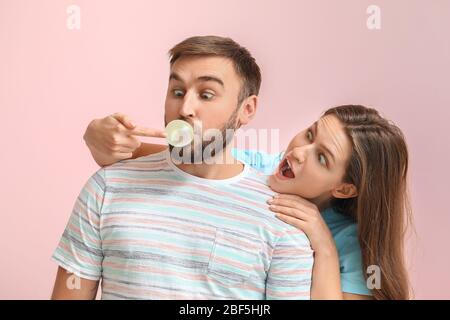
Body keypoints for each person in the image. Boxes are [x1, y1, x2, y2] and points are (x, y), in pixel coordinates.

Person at [51, 35, 314, 300]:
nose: (185, 108)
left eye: (206, 95)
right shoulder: (107, 187)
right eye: (177, 92)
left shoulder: (282, 217)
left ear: (246, 109)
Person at [84, 104, 412, 300]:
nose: (298, 151)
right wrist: (99, 137)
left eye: (322, 158)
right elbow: (133, 158)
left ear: (344, 189)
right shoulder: (250, 167)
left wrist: (322, 244)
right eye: (310, 135)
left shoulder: (352, 244)